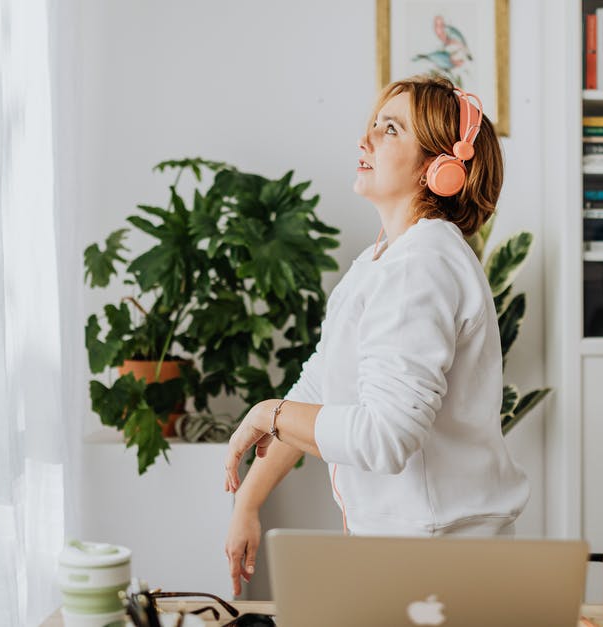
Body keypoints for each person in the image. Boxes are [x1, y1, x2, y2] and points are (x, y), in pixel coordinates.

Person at [221, 74, 529, 595]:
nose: (365, 141)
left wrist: (266, 412)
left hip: (441, 561)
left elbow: (385, 437)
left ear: (441, 167)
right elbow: (319, 389)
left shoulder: (422, 264)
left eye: (390, 130)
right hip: (414, 549)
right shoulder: (383, 260)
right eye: (372, 126)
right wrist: (248, 501)